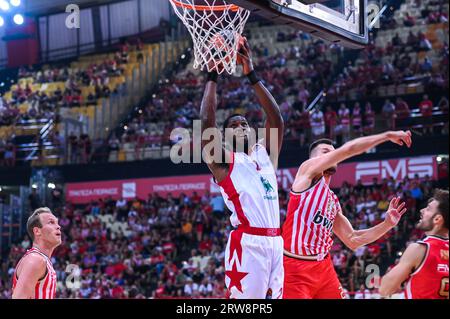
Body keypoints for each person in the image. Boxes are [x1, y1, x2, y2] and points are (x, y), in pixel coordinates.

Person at [199, 37, 284, 299]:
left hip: (276, 243)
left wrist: (251, 74)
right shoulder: (224, 162)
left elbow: (276, 119)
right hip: (248, 244)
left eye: (244, 123)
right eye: (233, 126)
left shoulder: (265, 153)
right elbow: (206, 123)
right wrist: (212, 75)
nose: (241, 126)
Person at [282, 130, 412, 299]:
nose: (333, 154)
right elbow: (349, 150)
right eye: (326, 152)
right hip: (295, 268)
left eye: (333, 150)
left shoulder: (332, 201)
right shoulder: (307, 172)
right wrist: (386, 136)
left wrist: (387, 224)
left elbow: (353, 239)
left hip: (323, 267)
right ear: (314, 159)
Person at [379, 189, 449, 299]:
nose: (422, 210)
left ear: (437, 219)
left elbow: (384, 289)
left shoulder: (419, 249)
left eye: (428, 209)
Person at [12, 207, 62, 299]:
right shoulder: (35, 260)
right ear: (37, 231)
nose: (58, 226)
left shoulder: (41, 259)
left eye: (57, 222)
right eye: (51, 222)